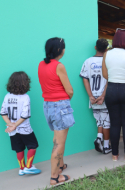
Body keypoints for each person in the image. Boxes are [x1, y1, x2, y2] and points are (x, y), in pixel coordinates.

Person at [38, 37, 74, 185]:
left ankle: (60, 165)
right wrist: (66, 99)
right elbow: (69, 90)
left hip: (47, 105)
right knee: (59, 143)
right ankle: (54, 177)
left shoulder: (41, 64)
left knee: (56, 139)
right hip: (60, 106)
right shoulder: (59, 66)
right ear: (60, 50)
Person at [102, 29, 125, 161]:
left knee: (114, 123)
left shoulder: (107, 54)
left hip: (111, 89)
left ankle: (115, 155)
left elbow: (105, 75)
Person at [0, 72, 41, 176]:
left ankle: (21, 169)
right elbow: (25, 115)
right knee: (33, 145)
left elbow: (3, 113)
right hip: (24, 128)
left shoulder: (7, 96)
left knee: (19, 148)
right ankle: (28, 167)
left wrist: (10, 124)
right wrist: (14, 125)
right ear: (25, 83)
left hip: (12, 130)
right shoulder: (25, 97)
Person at [80, 39, 111, 154]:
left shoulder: (87, 61)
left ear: (95, 47)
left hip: (93, 97)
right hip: (104, 97)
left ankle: (99, 137)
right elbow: (109, 79)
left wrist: (90, 96)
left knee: (99, 121)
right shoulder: (107, 61)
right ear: (106, 49)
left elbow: (85, 78)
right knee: (106, 122)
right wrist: (103, 95)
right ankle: (106, 146)